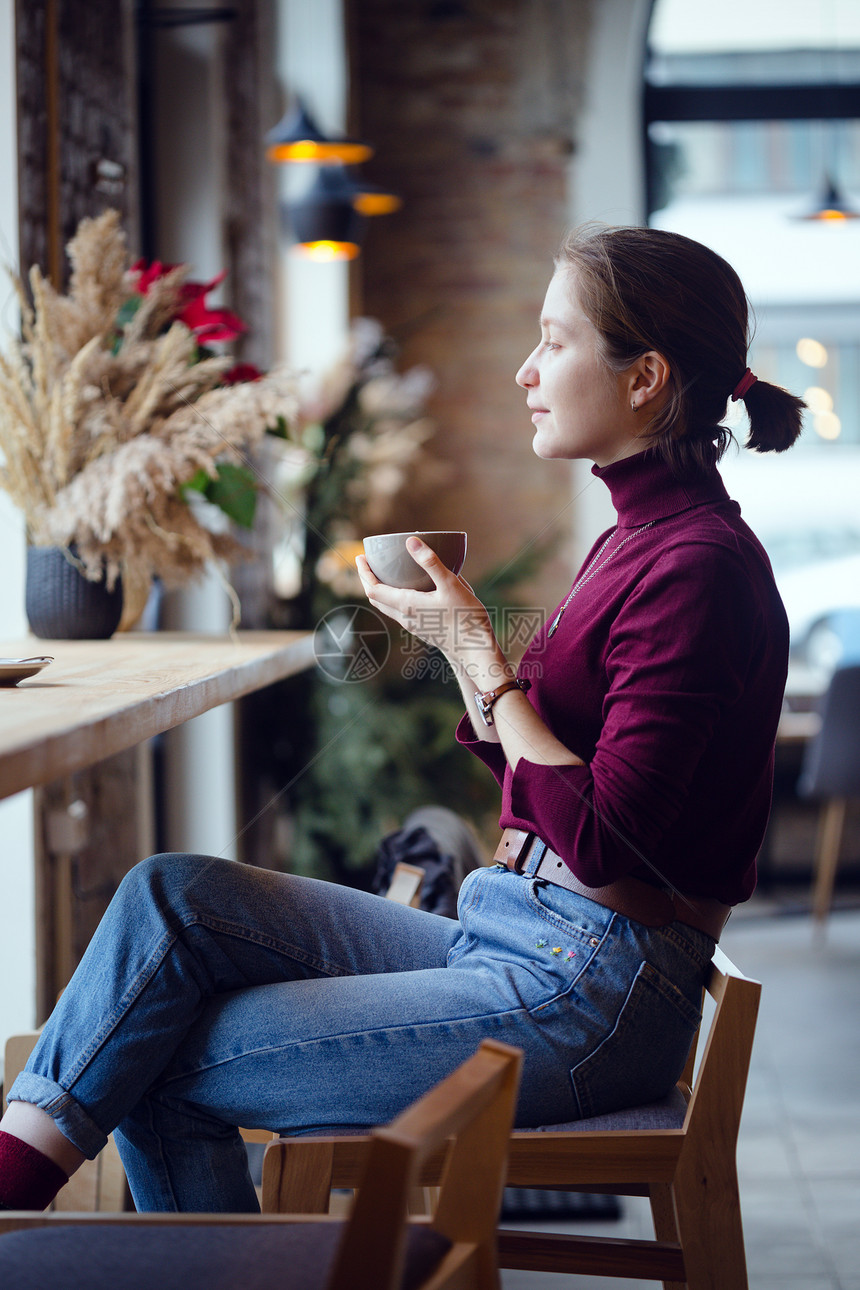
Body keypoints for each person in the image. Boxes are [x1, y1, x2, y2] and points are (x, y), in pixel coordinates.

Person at [0, 225, 803, 1214]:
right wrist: (465, 657)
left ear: (643, 376)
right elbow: (552, 777)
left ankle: (23, 1187)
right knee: (173, 897)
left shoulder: (695, 567)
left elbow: (599, 836)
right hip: (527, 936)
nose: (524, 370)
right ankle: (21, 1171)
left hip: (584, 991)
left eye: (552, 341)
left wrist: (480, 661)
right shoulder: (640, 540)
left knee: (148, 1052)